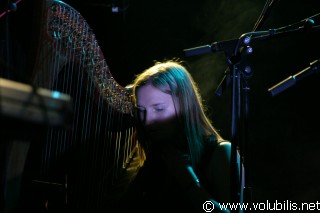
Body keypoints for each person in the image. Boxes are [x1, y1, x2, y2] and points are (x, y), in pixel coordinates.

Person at [109, 59, 243, 213]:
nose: (147, 120)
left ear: (185, 106)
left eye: (158, 108)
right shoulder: (156, 156)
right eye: (141, 110)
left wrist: (189, 182)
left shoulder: (220, 153)